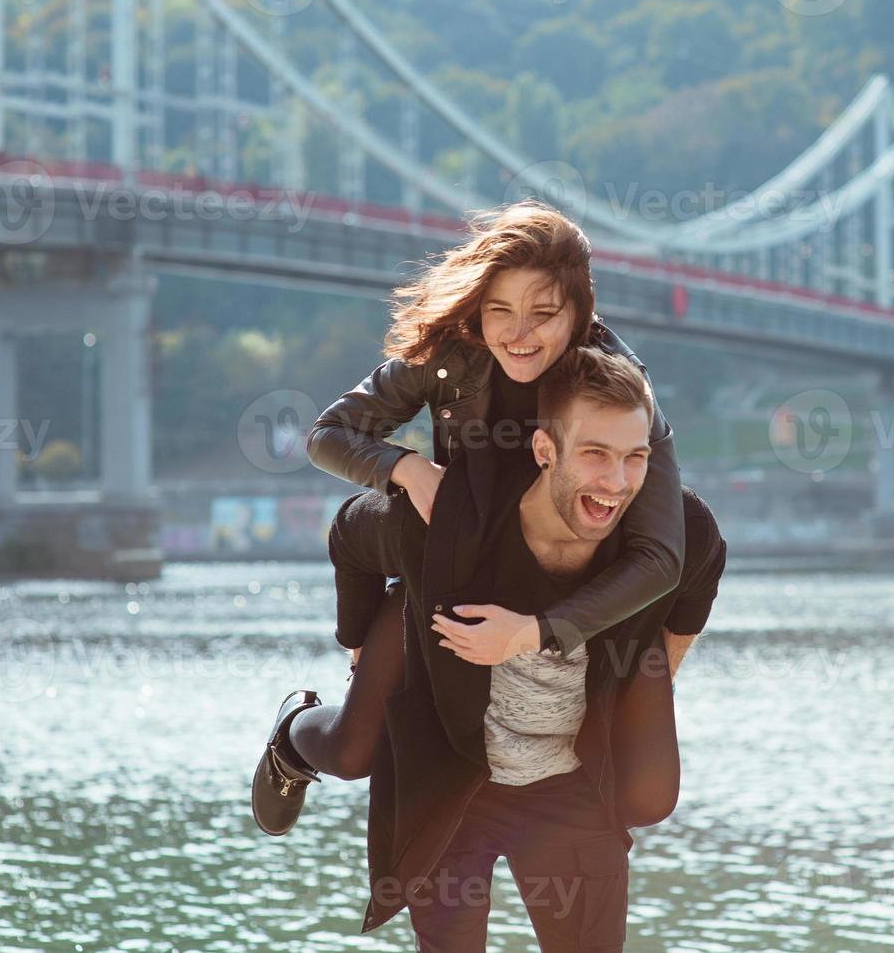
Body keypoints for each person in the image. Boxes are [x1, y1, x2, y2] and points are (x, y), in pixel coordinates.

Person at [258, 347, 728, 948]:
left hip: (570, 789)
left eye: (635, 458)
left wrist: (647, 676)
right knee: (354, 751)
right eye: (594, 454)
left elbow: (703, 568)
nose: (616, 482)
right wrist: (356, 648)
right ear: (543, 450)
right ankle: (294, 730)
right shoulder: (446, 516)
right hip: (453, 771)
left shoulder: (668, 534)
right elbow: (350, 534)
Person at [250, 201, 694, 830]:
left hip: (552, 581)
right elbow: (328, 434)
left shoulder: (623, 387)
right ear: (478, 310)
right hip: (449, 562)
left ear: (579, 313)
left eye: (543, 314)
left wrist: (537, 631)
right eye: (500, 311)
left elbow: (663, 556)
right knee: (354, 753)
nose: (519, 333)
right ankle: (293, 733)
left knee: (626, 793)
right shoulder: (448, 357)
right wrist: (408, 469)